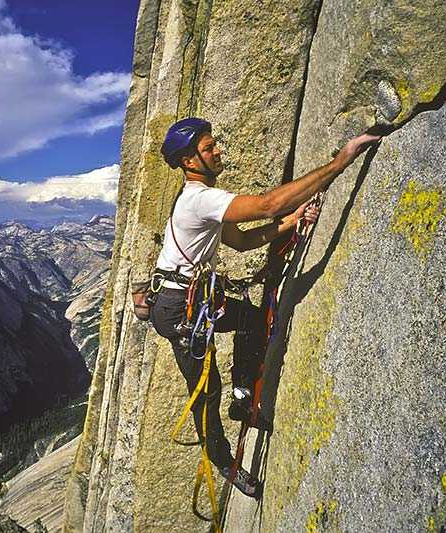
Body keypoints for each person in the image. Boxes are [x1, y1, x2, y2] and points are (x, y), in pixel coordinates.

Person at [149, 117, 380, 498]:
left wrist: (291, 221)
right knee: (206, 392)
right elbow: (267, 205)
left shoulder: (202, 200)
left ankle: (242, 399)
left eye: (214, 144)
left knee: (252, 321)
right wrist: (340, 162)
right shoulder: (199, 200)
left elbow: (241, 243)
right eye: (209, 148)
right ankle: (224, 462)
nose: (218, 150)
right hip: (179, 310)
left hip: (192, 301)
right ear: (190, 161)